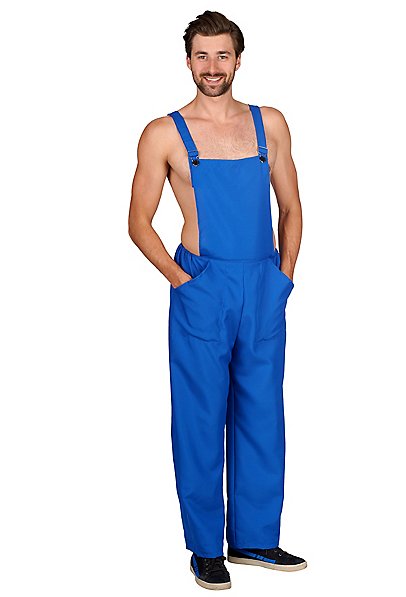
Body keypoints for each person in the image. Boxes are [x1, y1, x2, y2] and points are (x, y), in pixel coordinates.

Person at [128, 10, 305, 590]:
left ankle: (254, 538)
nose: (212, 66)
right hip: (202, 283)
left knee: (262, 412)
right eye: (201, 56)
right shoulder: (163, 133)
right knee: (200, 417)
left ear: (238, 60)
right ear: (188, 61)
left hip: (262, 283)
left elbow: (291, 208)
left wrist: (282, 278)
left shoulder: (269, 123)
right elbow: (138, 222)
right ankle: (205, 548)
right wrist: (184, 283)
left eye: (222, 55)